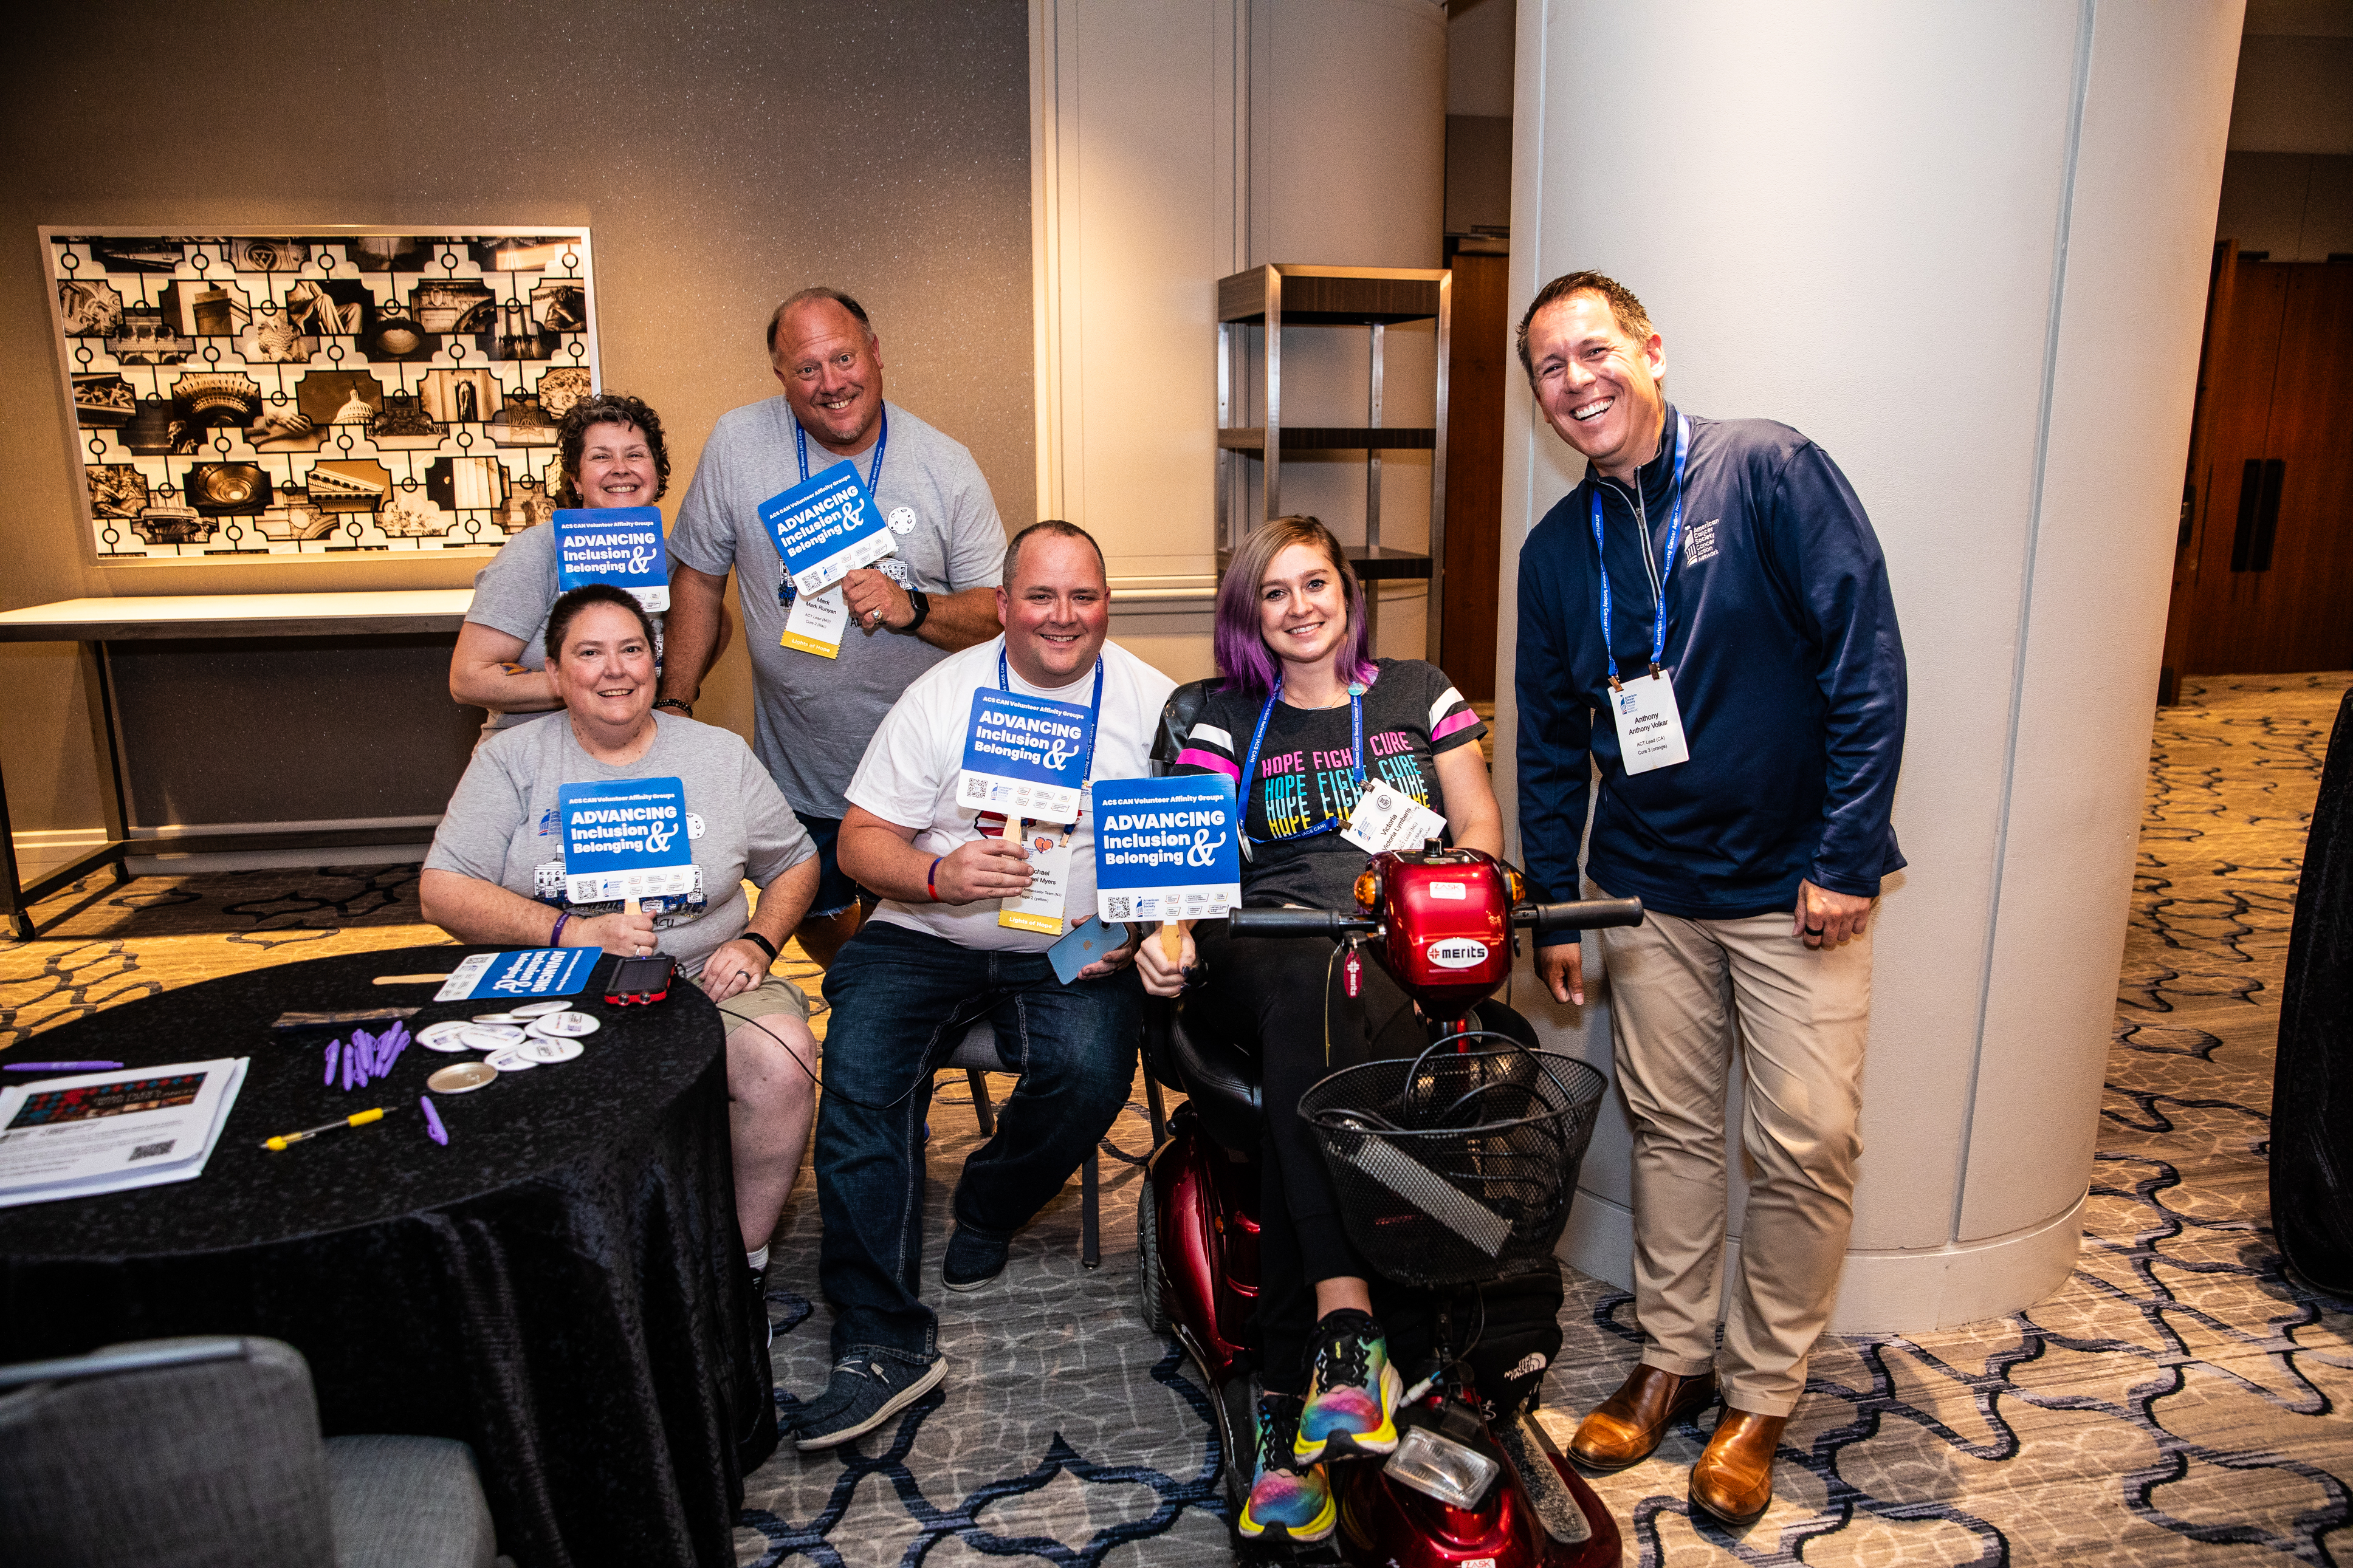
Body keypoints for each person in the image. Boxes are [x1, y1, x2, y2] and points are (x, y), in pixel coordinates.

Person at [1514, 271, 1907, 1525]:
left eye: (1592, 352)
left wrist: (1846, 856)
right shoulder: (1551, 552)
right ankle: (1674, 1359)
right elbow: (1543, 739)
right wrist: (1554, 907)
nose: (1575, 383)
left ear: (1650, 350)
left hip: (1795, 885)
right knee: (1672, 1130)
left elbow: (1866, 662)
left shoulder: (1769, 471)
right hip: (1644, 891)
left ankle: (1763, 1391)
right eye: (1549, 369)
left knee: (1803, 1143)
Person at [1135, 515, 1502, 1546]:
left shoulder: (1415, 693)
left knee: (1343, 984)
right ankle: (1351, 1324)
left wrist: (1455, 891)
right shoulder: (1219, 714)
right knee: (1309, 977)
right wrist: (1164, 936)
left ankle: (1294, 1390)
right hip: (1253, 947)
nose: (1299, 607)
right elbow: (1184, 857)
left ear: (1347, 592)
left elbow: (1476, 827)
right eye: (1274, 593)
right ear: (1250, 614)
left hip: (1389, 945)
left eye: (1315, 584)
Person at [789, 521, 1172, 1453]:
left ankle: (990, 1201)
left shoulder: (1155, 703)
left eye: (1083, 596)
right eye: (1041, 596)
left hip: (1074, 942)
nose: (1063, 616)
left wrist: (1137, 925)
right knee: (862, 1072)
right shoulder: (942, 696)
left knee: (1091, 1070)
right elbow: (858, 842)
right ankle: (880, 1341)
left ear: (1107, 602)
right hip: (927, 931)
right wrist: (936, 877)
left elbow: (1186, 848)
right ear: (1003, 607)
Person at [420, 583, 823, 1287]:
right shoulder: (511, 762)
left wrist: (757, 942)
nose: (616, 670)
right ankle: (574, 1272)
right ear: (553, 673)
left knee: (784, 1056)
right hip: (554, 986)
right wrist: (568, 930)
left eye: (632, 649)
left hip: (702, 977)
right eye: (589, 652)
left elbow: (794, 861)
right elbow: (442, 889)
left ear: (656, 661)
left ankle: (740, 1263)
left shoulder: (716, 756)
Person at [661, 287, 1008, 971]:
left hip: (924, 777)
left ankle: (887, 1001)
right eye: (807, 368)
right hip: (803, 764)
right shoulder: (737, 443)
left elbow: (997, 612)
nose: (831, 383)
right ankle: (867, 981)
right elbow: (699, 577)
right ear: (781, 377)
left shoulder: (944, 465)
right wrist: (674, 701)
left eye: (843, 357)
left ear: (876, 354)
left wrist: (917, 606)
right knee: (816, 913)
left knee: (905, 935)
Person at [450, 392, 732, 743]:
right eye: (601, 457)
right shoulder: (535, 552)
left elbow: (716, 626)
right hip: (532, 755)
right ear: (576, 480)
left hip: (632, 755)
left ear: (657, 474)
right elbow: (468, 678)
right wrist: (585, 681)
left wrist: (669, 695)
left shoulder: (671, 561)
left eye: (635, 455)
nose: (621, 468)